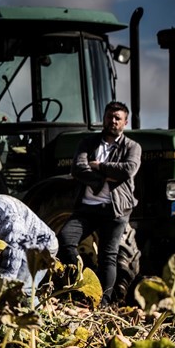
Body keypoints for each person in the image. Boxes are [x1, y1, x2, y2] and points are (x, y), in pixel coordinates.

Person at [57, 102, 141, 306]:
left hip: (115, 210)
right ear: (103, 118)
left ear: (125, 122)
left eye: (117, 118)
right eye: (109, 116)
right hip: (87, 208)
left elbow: (128, 169)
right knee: (65, 240)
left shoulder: (132, 147)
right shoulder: (88, 143)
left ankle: (103, 303)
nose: (113, 121)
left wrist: (99, 166)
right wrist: (104, 178)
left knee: (108, 256)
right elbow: (77, 169)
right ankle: (80, 286)